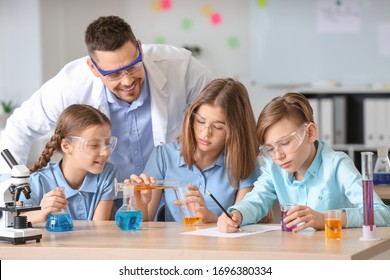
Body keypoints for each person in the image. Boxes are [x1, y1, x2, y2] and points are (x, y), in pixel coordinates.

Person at [0, 15, 213, 190]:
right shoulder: (70, 84)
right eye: (114, 74)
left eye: (133, 66)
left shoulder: (180, 66)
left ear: (139, 48)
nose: (128, 81)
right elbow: (20, 126)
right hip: (104, 195)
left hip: (166, 193)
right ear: (93, 68)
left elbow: (225, 113)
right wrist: (10, 186)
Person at [217, 92, 390, 232]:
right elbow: (256, 201)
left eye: (285, 143)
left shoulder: (337, 165)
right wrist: (236, 214)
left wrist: (326, 219)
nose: (278, 155)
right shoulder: (274, 169)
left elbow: (382, 213)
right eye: (270, 149)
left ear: (310, 133)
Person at [131, 78, 272, 223]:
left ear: (236, 131)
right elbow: (144, 224)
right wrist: (141, 204)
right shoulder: (163, 156)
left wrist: (211, 219)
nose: (205, 133)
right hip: (172, 245)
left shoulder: (245, 162)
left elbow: (242, 222)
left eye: (218, 127)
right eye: (200, 121)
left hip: (223, 245)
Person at [21, 104, 118, 224]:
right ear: (66, 146)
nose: (105, 152)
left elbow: (98, 227)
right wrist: (42, 212)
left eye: (107, 143)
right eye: (94, 145)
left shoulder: (107, 173)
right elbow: (17, 219)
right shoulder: (38, 180)